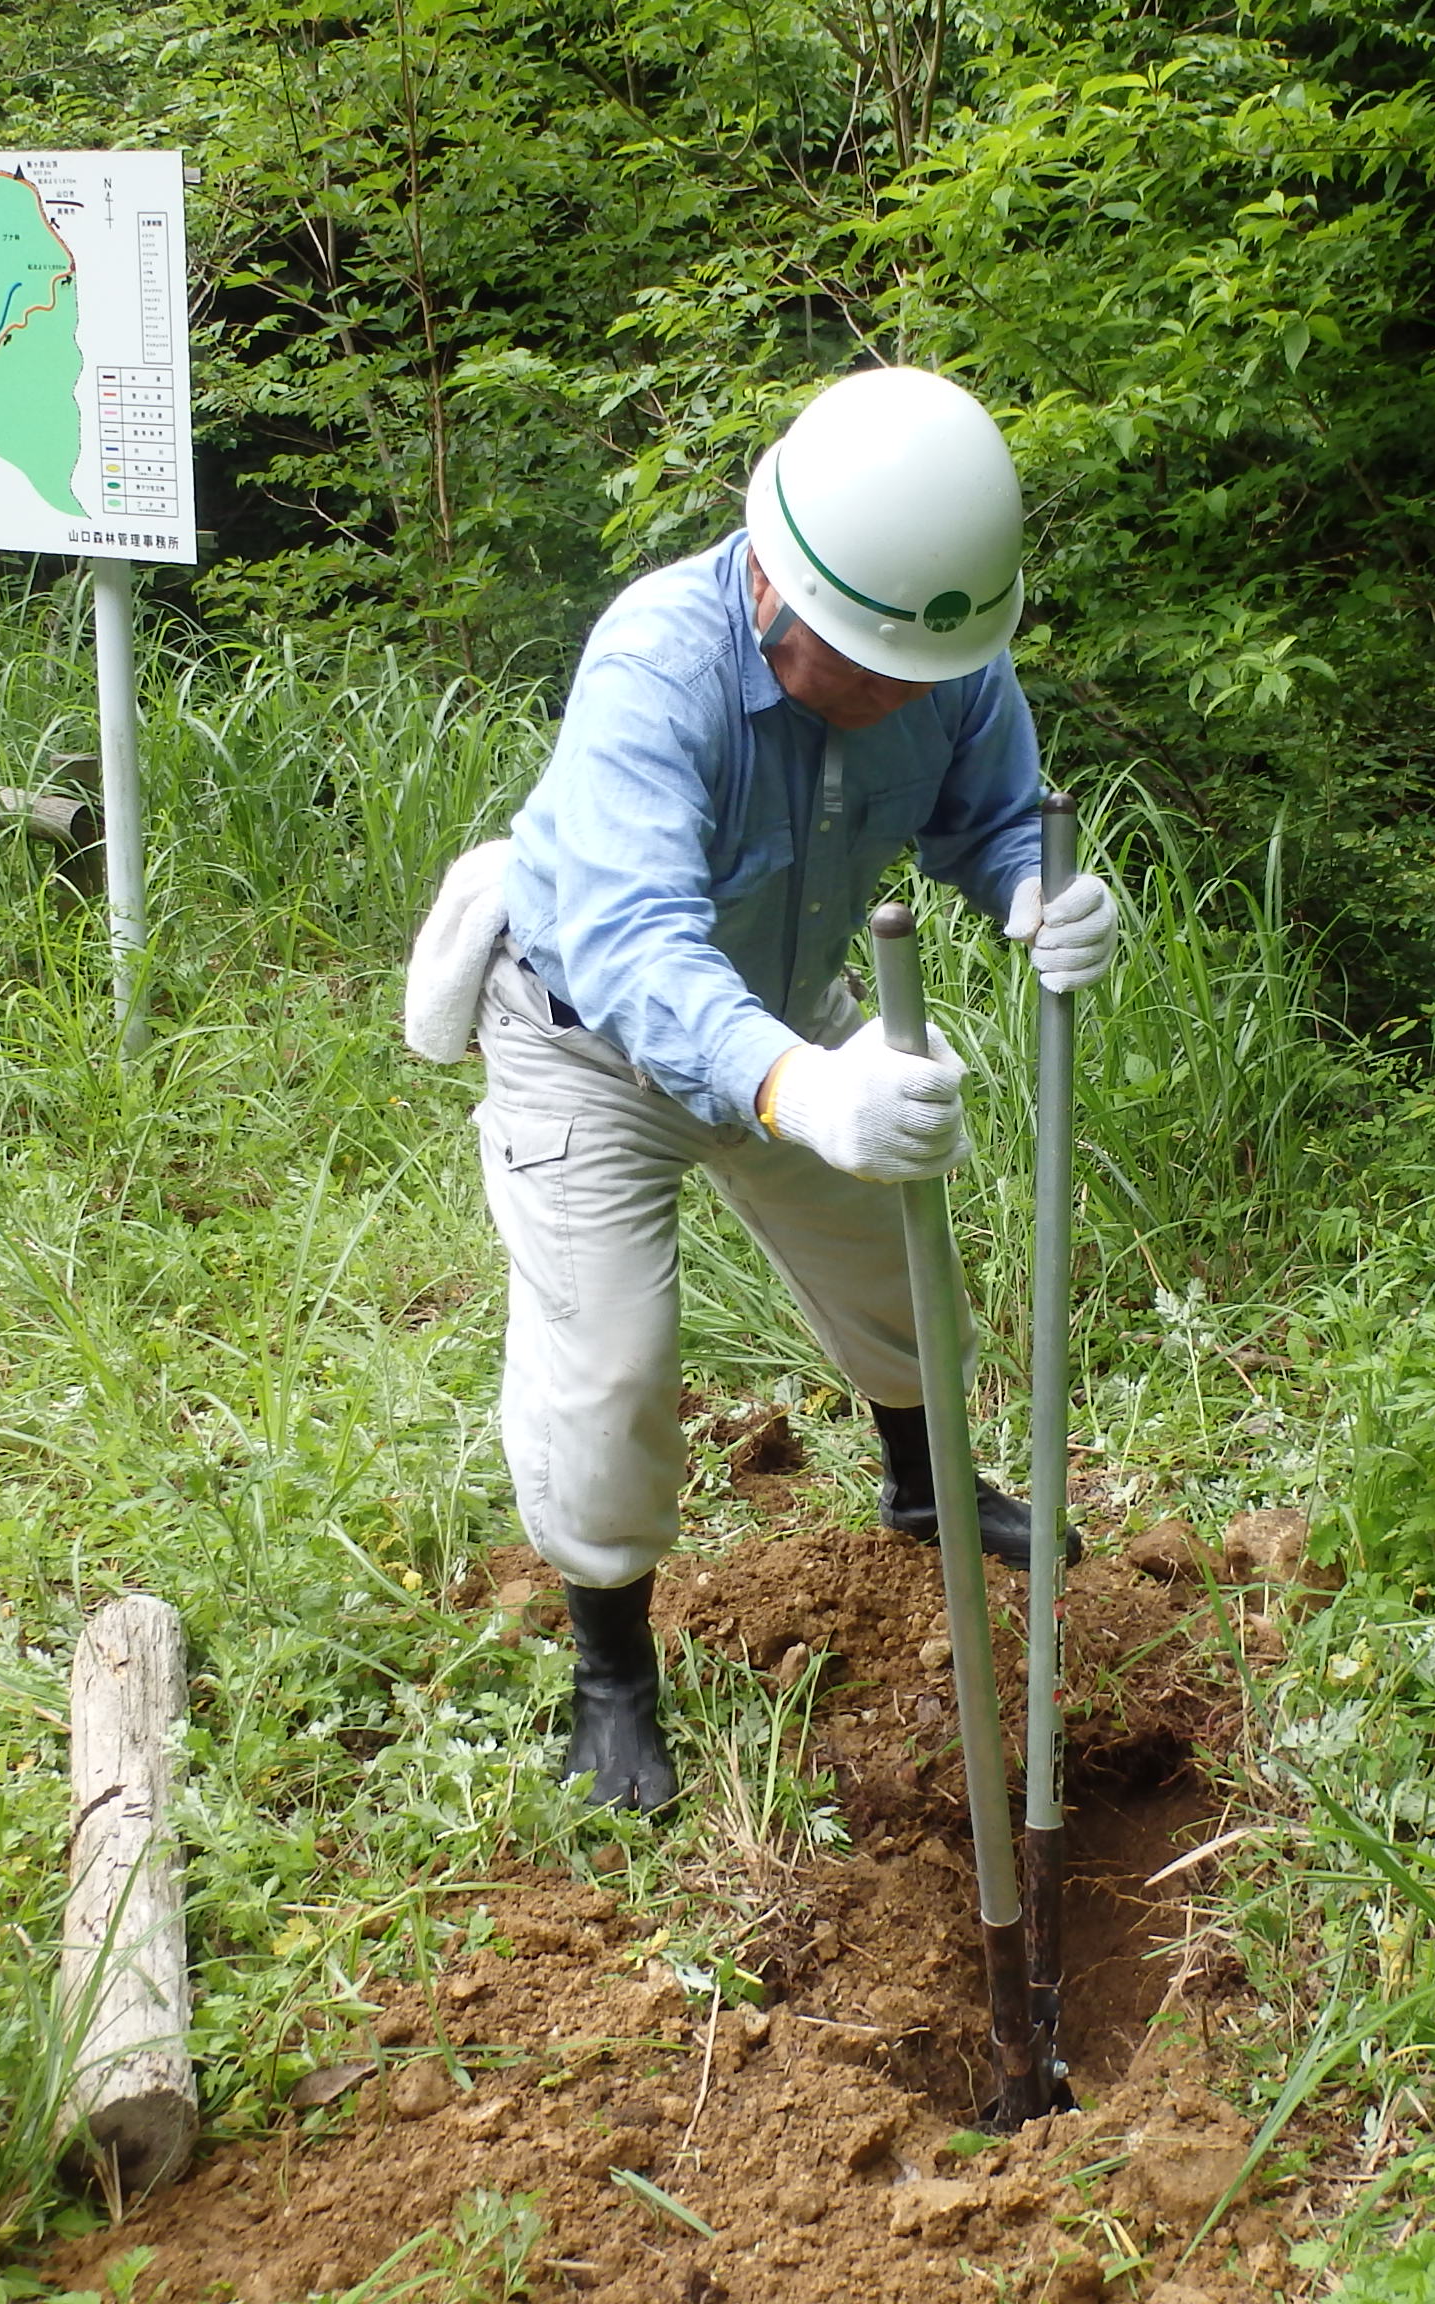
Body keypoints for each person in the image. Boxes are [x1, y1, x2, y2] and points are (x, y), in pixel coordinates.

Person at [424, 365, 1117, 1813]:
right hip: (587, 1037)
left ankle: (926, 1482)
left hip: (797, 1014)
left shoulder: (941, 647)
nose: (887, 701)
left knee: (899, 1260)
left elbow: (986, 821)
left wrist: (1032, 897)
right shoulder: (658, 666)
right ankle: (612, 1671)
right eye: (860, 664)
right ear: (773, 585)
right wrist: (806, 1091)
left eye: (912, 677)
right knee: (609, 1368)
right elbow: (630, 941)